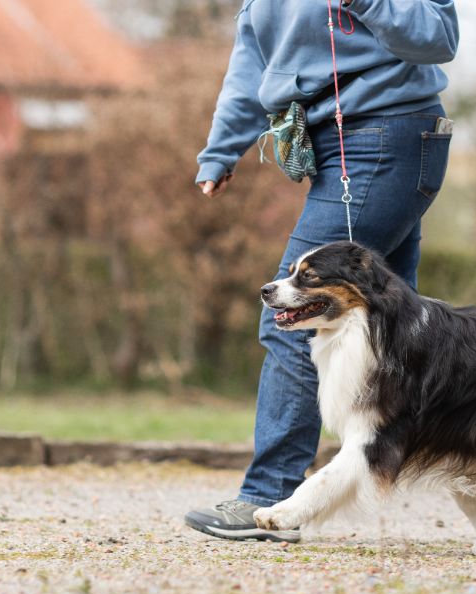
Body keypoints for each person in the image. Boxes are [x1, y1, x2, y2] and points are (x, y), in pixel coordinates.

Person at [185, 0, 459, 542]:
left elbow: (437, 39)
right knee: (395, 328)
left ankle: (269, 498)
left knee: (296, 312)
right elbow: (253, 61)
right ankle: (449, 449)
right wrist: (221, 150)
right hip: (328, 141)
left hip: (385, 135)